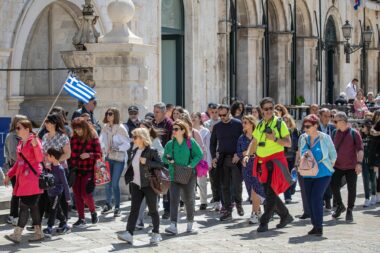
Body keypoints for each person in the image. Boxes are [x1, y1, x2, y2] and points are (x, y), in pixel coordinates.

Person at [243, 97, 293, 233]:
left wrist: (275, 138)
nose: (269, 111)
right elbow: (254, 141)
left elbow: (288, 143)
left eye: (271, 108)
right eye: (266, 109)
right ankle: (285, 215)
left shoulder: (279, 123)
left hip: (275, 162)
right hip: (261, 162)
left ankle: (264, 222)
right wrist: (248, 155)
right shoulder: (260, 125)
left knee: (270, 193)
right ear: (261, 110)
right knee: (268, 192)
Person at [118, 128, 164, 245]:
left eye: (135, 137)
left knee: (153, 210)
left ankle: (156, 233)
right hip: (136, 184)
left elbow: (160, 164)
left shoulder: (151, 151)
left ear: (142, 138)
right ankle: (129, 233)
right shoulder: (134, 151)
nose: (133, 140)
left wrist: (147, 162)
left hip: (149, 184)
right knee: (134, 209)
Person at [3, 120, 45, 243]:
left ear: (27, 129)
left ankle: (17, 234)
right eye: (16, 127)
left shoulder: (35, 140)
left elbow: (39, 158)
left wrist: (35, 146)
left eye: (19, 127)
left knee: (24, 206)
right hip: (23, 180)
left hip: (32, 179)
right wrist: (9, 175)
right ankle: (38, 233)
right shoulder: (21, 142)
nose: (17, 130)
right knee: (33, 207)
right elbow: (19, 163)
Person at [299, 114, 337, 236]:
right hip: (307, 174)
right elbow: (301, 153)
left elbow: (333, 155)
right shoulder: (303, 138)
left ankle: (319, 227)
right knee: (309, 201)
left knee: (316, 198)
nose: (305, 129)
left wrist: (328, 166)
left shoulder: (325, 138)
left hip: (323, 173)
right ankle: (315, 225)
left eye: (308, 126)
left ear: (316, 126)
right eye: (304, 126)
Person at [163, 120, 203, 235]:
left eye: (176, 129)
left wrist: (191, 165)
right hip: (174, 174)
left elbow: (199, 154)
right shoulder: (170, 144)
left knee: (188, 199)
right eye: (173, 129)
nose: (173, 131)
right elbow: (164, 157)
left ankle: (190, 224)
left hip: (189, 174)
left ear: (183, 131)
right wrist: (169, 160)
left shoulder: (190, 142)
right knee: (174, 200)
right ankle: (173, 225)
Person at [210, 104, 244, 221]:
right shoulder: (217, 126)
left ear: (229, 112)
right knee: (224, 185)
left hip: (235, 159)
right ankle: (227, 209)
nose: (222, 117)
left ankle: (238, 203)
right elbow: (213, 143)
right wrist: (214, 156)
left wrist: (239, 154)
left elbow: (243, 140)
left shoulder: (238, 124)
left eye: (224, 115)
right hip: (223, 159)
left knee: (237, 184)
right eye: (220, 115)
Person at [40, 113, 71, 228]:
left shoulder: (63, 137)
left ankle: (64, 222)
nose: (45, 124)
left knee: (60, 197)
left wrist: (55, 162)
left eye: (47, 122)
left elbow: (68, 154)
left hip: (59, 169)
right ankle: (62, 220)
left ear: (54, 123)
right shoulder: (44, 136)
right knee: (51, 197)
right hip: (47, 171)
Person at [69, 117, 102, 227]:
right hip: (76, 170)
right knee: (77, 195)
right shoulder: (73, 138)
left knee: (85, 194)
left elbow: (99, 154)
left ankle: (93, 212)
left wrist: (89, 155)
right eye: (75, 129)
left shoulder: (93, 138)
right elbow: (70, 153)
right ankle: (81, 218)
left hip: (89, 170)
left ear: (85, 127)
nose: (77, 131)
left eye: (79, 129)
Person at [331, 112, 363, 221]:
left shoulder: (354, 133)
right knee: (333, 185)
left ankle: (349, 210)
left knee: (351, 188)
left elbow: (360, 149)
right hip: (337, 166)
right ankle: (340, 206)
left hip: (351, 166)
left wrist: (359, 163)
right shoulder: (334, 133)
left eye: (335, 121)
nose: (334, 123)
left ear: (343, 121)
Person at [100, 108, 130, 217]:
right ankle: (108, 204)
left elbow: (127, 144)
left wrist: (116, 148)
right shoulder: (105, 127)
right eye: (107, 113)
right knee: (107, 183)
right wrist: (103, 148)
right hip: (108, 158)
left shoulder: (121, 128)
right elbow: (101, 141)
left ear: (115, 115)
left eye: (110, 114)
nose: (108, 115)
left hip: (118, 159)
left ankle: (117, 207)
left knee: (114, 184)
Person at [135, 120, 164, 229]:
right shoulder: (138, 140)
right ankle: (139, 221)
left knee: (153, 200)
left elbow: (161, 158)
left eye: (144, 128)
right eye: (140, 128)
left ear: (149, 129)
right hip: (140, 175)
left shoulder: (155, 141)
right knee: (141, 199)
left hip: (152, 175)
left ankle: (153, 221)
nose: (141, 131)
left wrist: (147, 160)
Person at [237, 115, 265, 224]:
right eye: (243, 123)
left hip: (258, 164)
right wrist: (248, 152)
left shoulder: (259, 136)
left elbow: (262, 150)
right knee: (250, 190)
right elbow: (239, 152)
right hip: (246, 166)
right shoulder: (241, 138)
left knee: (256, 189)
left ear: (252, 123)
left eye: (245, 123)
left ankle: (254, 214)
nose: (243, 125)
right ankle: (258, 212)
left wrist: (248, 152)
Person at [4, 115, 27, 226]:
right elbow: (13, 154)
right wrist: (26, 160)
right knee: (16, 192)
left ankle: (16, 215)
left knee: (19, 192)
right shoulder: (12, 136)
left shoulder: (23, 135)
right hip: (15, 168)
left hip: (22, 168)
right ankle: (13, 215)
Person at [43, 148, 71, 237]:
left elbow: (65, 184)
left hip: (56, 193)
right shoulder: (50, 167)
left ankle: (49, 227)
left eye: (48, 155)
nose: (47, 157)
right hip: (50, 193)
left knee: (53, 209)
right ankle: (64, 223)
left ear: (53, 157)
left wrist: (67, 197)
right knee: (57, 210)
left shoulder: (60, 169)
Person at [152, 102, 173, 219]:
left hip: (165, 158)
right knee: (155, 182)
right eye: (154, 111)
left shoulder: (169, 124)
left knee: (166, 183)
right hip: (154, 158)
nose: (154, 114)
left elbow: (171, 142)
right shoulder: (153, 123)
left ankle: (167, 209)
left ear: (164, 112)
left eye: (157, 112)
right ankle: (154, 207)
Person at [191, 112, 211, 210]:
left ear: (200, 119)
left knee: (202, 182)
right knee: (192, 182)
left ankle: (203, 202)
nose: (193, 119)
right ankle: (192, 202)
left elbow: (207, 147)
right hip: (191, 160)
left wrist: (208, 161)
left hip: (202, 159)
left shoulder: (205, 131)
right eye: (192, 117)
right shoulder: (189, 131)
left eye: (195, 117)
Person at [317, 108, 336, 209]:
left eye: (329, 116)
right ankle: (321, 200)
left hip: (329, 158)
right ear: (319, 116)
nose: (327, 118)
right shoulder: (315, 128)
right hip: (317, 158)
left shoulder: (332, 128)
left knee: (328, 180)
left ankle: (328, 200)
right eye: (325, 116)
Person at [282, 114, 300, 204]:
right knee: (286, 177)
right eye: (284, 121)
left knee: (294, 176)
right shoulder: (281, 132)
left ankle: (291, 190)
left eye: (287, 121)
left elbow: (299, 145)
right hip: (284, 157)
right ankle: (287, 197)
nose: (285, 123)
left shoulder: (296, 131)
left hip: (294, 156)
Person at [360, 119, 377, 207]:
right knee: (365, 179)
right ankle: (367, 198)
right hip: (363, 161)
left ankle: (374, 195)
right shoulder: (360, 136)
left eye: (364, 126)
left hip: (372, 161)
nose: (362, 128)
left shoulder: (373, 136)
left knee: (373, 179)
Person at [368, 110, 380, 203]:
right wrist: (376, 132)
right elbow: (372, 131)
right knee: (375, 175)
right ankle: (376, 194)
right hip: (376, 152)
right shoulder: (376, 123)